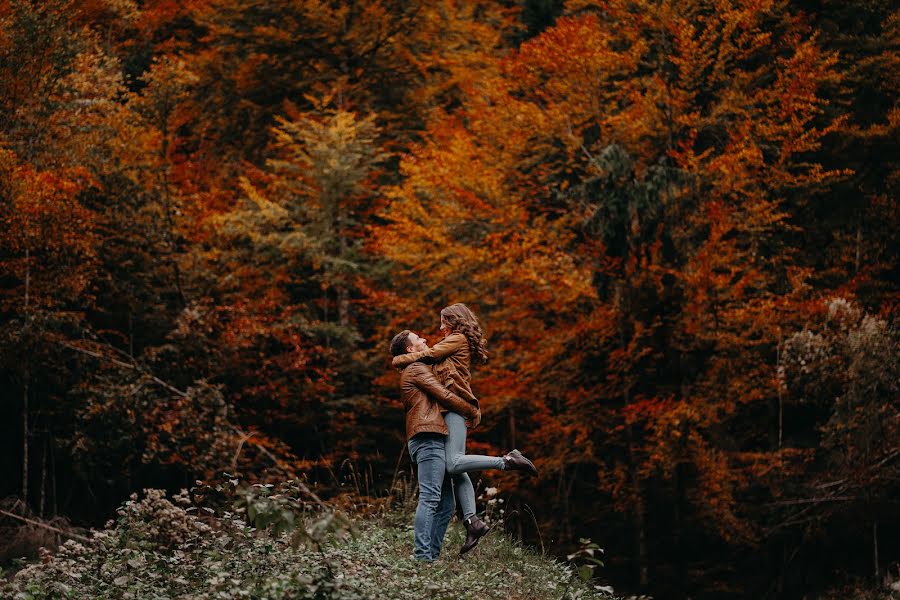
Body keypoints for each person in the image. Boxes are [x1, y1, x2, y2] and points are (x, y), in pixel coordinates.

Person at [392, 303, 537, 555]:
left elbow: (432, 360)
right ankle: (469, 522)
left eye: (443, 322)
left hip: (452, 413)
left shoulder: (454, 340)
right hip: (436, 426)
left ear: (454, 321)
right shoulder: (421, 367)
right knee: (453, 469)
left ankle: (505, 463)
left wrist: (399, 359)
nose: (436, 330)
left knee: (453, 465)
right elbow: (438, 385)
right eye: (418, 338)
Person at [390, 329, 480, 561]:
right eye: (418, 339)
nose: (424, 340)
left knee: (447, 505)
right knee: (431, 499)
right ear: (410, 349)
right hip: (427, 436)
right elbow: (444, 395)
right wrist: (472, 410)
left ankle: (431, 555)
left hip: (433, 436)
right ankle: (422, 557)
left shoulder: (418, 366)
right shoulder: (416, 368)